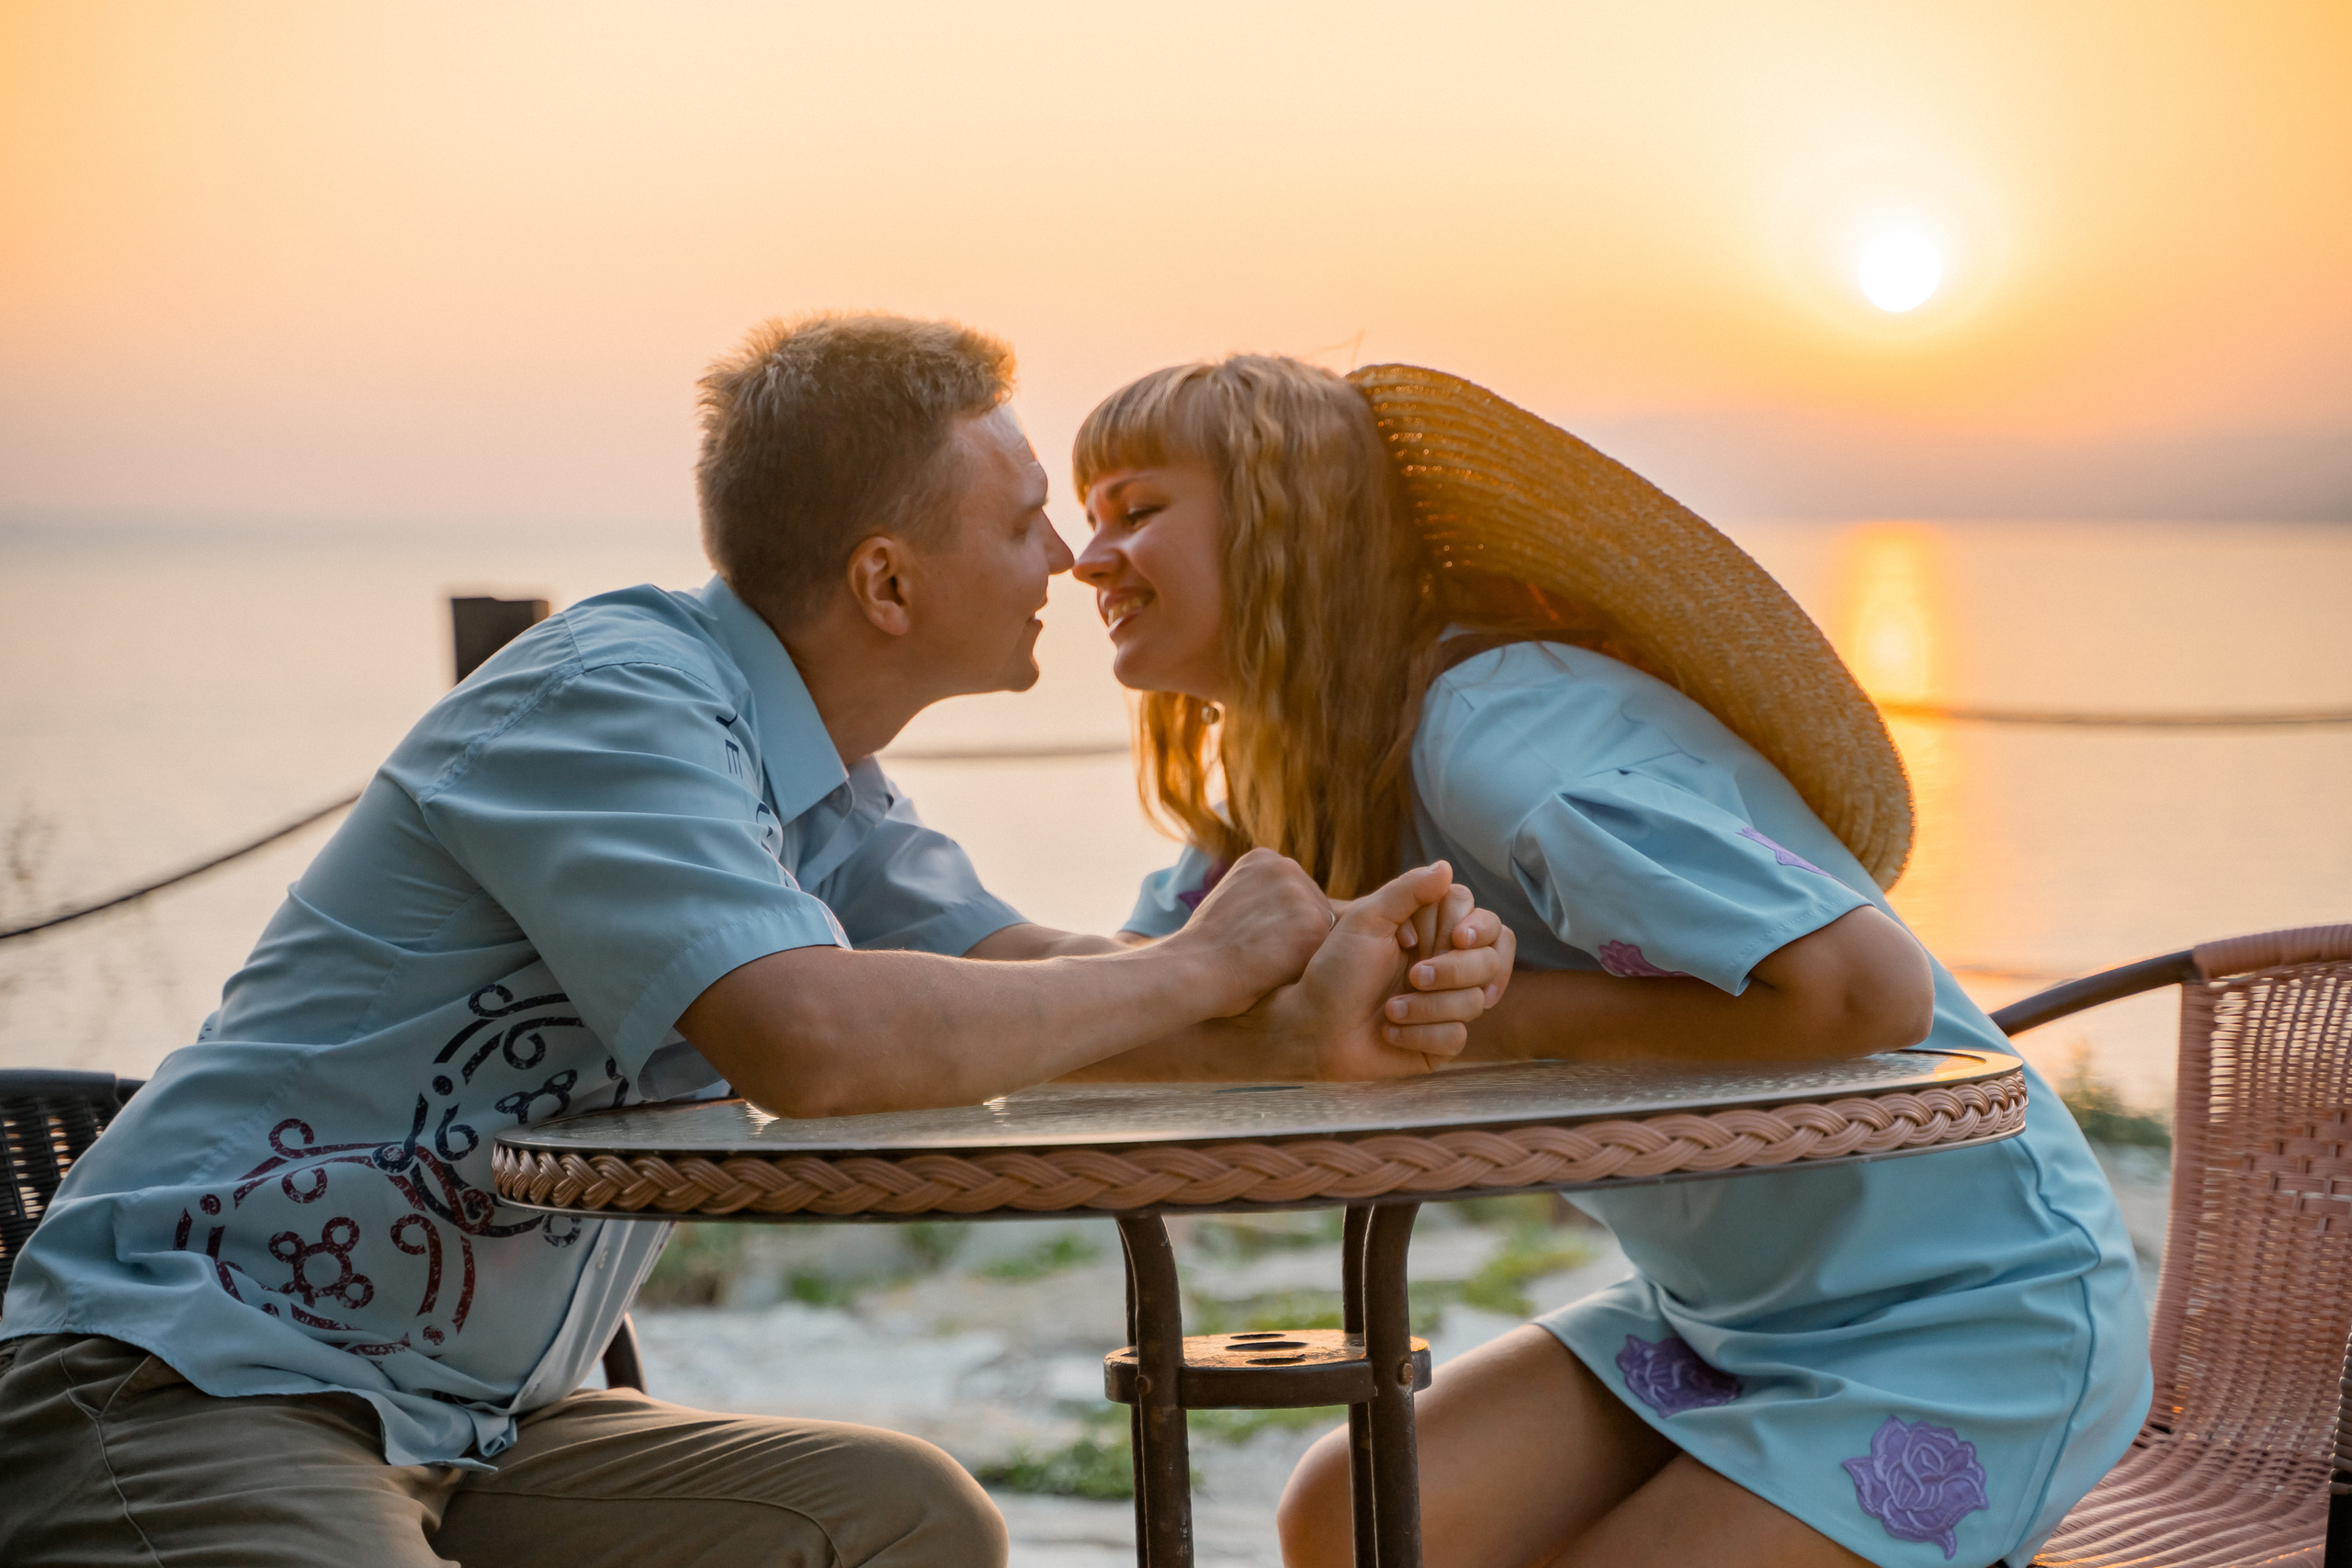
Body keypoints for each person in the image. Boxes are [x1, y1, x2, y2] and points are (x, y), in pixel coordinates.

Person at [0, 316, 1514, 1568]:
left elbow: (1016, 985)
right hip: (197, 1376)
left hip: (477, 1420)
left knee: (909, 1525)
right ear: (886, 583)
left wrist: (1308, 1020)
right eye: (1022, 516)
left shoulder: (822, 786)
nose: (1062, 556)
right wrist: (1204, 963)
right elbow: (816, 1041)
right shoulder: (610, 704)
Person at [1069, 355, 2151, 1568]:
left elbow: (1867, 993)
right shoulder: (1291, 784)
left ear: (1284, 526)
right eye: (1087, 516)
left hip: (1970, 1314)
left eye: (1137, 510)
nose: (1084, 558)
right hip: (1725, 1321)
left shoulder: (1501, 730)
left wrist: (1495, 1020)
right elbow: (1114, 994)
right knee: (1351, 1518)